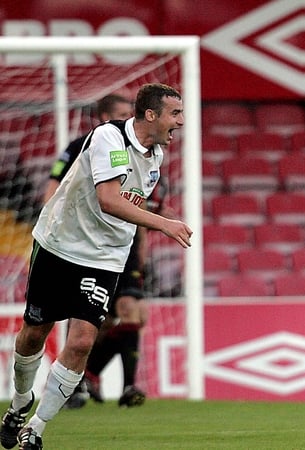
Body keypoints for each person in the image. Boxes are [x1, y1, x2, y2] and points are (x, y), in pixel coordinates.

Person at [0, 83, 192, 450]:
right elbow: (108, 200)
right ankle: (20, 401)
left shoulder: (155, 156)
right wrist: (164, 223)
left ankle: (36, 428)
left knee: (82, 340)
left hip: (104, 256)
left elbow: (129, 206)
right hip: (58, 244)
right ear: (150, 115)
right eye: (175, 114)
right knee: (34, 332)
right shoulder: (108, 137)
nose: (180, 122)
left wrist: (152, 223)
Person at [42, 94, 151, 410]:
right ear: (104, 117)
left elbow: (137, 202)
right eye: (119, 113)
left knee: (131, 310)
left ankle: (128, 385)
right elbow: (52, 190)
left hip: (123, 245)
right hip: (84, 244)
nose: (127, 118)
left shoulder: (140, 151)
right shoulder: (79, 146)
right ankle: (78, 380)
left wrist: (140, 248)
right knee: (93, 321)